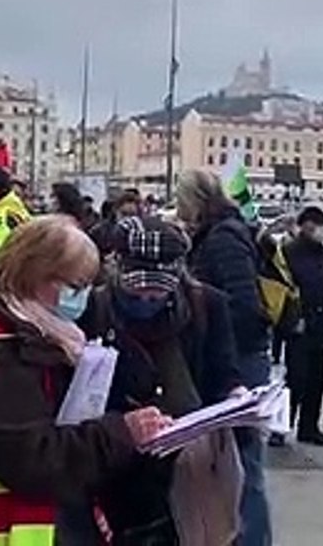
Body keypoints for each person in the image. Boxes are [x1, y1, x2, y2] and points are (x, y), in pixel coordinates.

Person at [0, 216, 170, 546]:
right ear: (34, 274)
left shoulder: (22, 331)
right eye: (74, 286)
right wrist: (120, 433)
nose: (82, 297)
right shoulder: (1, 354)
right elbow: (33, 459)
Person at [76, 216, 242, 543]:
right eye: (136, 292)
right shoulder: (93, 309)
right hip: (118, 466)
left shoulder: (206, 305)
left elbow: (222, 370)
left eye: (157, 294)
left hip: (191, 462)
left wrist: (237, 396)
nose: (146, 301)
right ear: (117, 270)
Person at [176, 169, 272, 546]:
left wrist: (211, 332)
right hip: (237, 355)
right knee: (232, 463)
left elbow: (244, 304)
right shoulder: (218, 233)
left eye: (181, 200)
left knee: (243, 464)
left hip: (241, 359)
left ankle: (251, 539)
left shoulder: (223, 238)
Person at [282, 206, 323, 447]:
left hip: (321, 325)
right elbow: (283, 289)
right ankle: (282, 426)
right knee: (296, 378)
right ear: (307, 225)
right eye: (320, 225)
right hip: (299, 324)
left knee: (317, 380)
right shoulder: (289, 252)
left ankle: (309, 427)